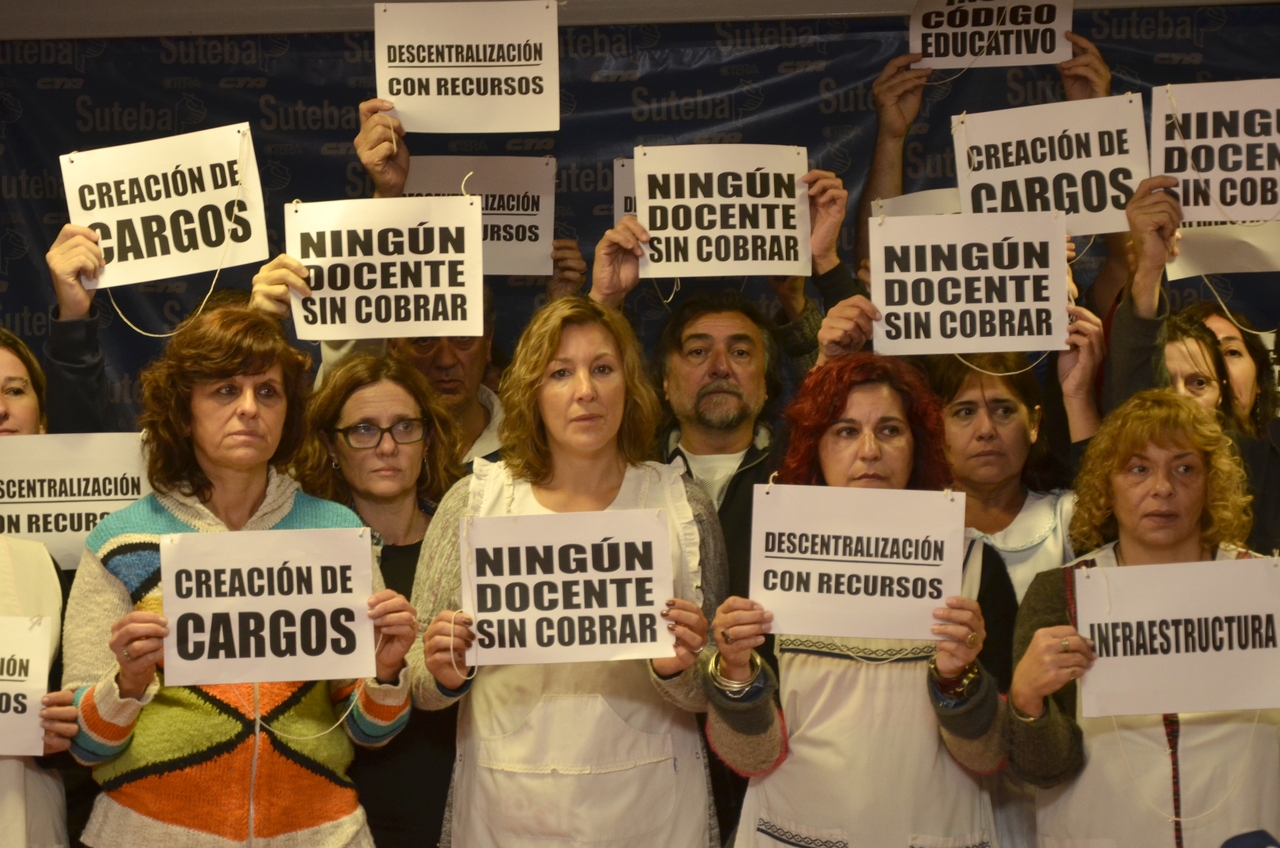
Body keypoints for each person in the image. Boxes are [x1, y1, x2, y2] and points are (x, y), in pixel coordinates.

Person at [60, 307, 418, 847]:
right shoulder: (119, 540)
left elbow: (371, 732)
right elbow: (85, 746)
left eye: (268, 392)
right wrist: (126, 684)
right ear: (184, 411)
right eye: (226, 390)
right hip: (149, 834)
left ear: (288, 412)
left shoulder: (338, 533)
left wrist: (386, 673)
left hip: (319, 834)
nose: (249, 408)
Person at [406, 296, 728, 847]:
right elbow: (417, 679)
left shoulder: (682, 504)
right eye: (560, 373)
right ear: (531, 391)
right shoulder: (474, 502)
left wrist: (682, 671)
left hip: (651, 811)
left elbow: (721, 689)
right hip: (506, 809)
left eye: (602, 369)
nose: (585, 391)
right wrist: (444, 670)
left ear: (629, 383)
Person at [701, 352, 1018, 846]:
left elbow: (991, 754)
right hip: (793, 831)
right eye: (846, 431)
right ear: (815, 447)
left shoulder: (973, 568)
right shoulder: (774, 563)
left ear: (918, 445)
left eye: (889, 430)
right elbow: (752, 757)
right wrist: (735, 674)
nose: (869, 451)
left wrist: (959, 681)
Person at [954, 389, 1275, 847]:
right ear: (1108, 484)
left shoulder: (1264, 588)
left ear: (1211, 483)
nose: (1162, 488)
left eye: (1184, 468)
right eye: (1139, 469)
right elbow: (1044, 770)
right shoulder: (1060, 594)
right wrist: (1026, 702)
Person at [249, 99, 588, 466]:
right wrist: (258, 324)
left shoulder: (535, 444)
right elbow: (348, 363)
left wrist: (570, 305)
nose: (446, 360)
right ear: (393, 345)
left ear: (489, 341)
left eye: (463, 339)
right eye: (423, 341)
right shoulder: (369, 450)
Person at [293, 353, 462, 848]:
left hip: (463, 807)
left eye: (405, 427)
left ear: (427, 440)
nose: (388, 447)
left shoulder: (470, 542)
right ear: (331, 446)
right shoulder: (304, 555)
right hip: (340, 818)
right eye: (364, 430)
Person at [0, 328, 85, 848]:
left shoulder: (67, 563)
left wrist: (64, 729)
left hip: (32, 814)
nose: (1, 409)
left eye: (14, 390)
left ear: (44, 421)